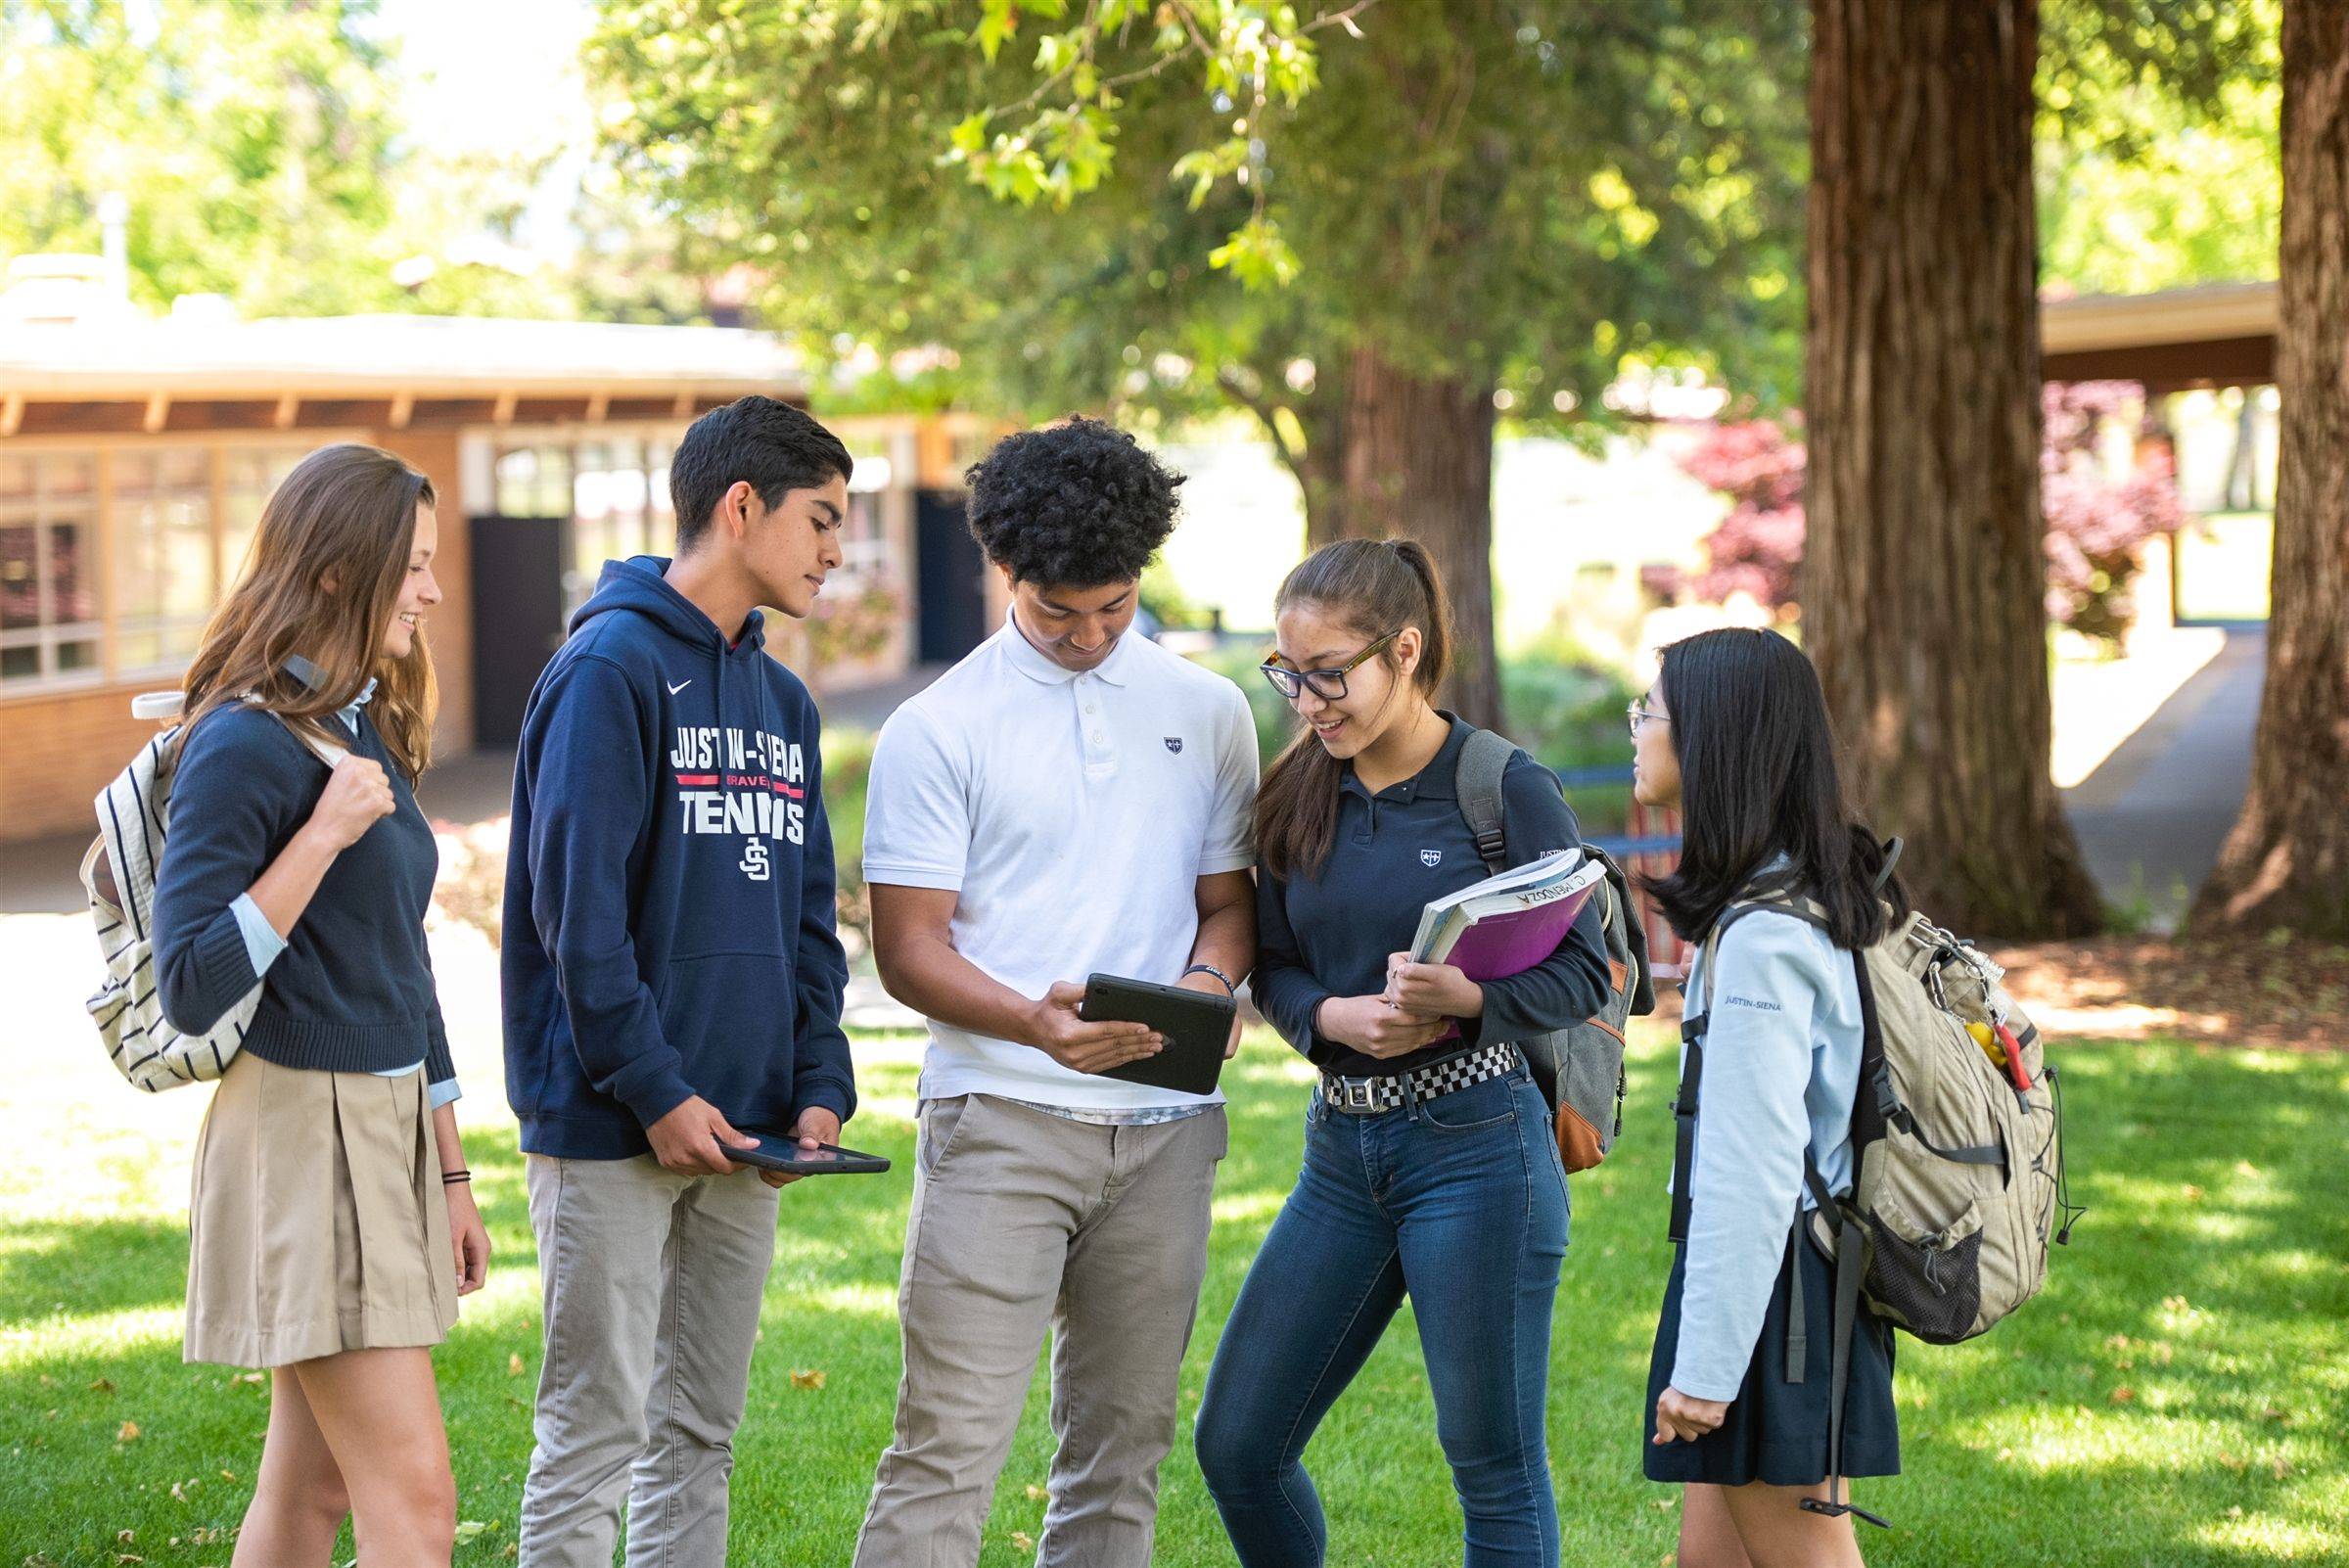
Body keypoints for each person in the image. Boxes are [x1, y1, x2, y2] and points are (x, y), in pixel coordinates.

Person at [852, 417, 1259, 1568]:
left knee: (1121, 1456)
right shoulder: (936, 730)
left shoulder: (1209, 709)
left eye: (1115, 608)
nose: (1088, 636)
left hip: (1167, 1134)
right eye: (1057, 612)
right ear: (1006, 574)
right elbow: (909, 949)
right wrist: (1033, 1021)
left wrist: (1202, 987)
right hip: (998, 1119)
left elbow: (1229, 907)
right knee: (947, 1448)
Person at [1193, 537, 1612, 1568]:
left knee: (1493, 1470)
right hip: (1343, 1159)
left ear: (1406, 650)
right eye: (1287, 673)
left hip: (1480, 1153)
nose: (1307, 700)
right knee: (1238, 1446)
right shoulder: (1296, 792)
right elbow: (1277, 967)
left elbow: (1589, 975)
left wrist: (1468, 995)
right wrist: (1331, 1022)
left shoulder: (1503, 788)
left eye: (1328, 673)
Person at [502, 395, 859, 1567]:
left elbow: (808, 917)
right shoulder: (606, 667)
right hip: (613, 1122)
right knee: (594, 1433)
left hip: (748, 1127)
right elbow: (576, 917)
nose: (835, 549)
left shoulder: (784, 700)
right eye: (821, 519)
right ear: (740, 506)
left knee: (699, 1432)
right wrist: (654, 1090)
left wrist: (819, 1079)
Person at [153, 442, 490, 1568]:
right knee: (416, 1497)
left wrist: (450, 1172)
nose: (433, 593)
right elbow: (192, 981)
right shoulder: (242, 743)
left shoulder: (357, 731)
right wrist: (322, 835)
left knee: (312, 1500)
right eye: (415, 568)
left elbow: (405, 967)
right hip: (303, 1130)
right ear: (343, 571)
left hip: (382, 1124)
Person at [1634, 627, 1904, 1568]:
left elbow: (1752, 1171)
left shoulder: (1763, 936)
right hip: (1784, 1289)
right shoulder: (1786, 899)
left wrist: (1706, 1371)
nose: (1636, 727)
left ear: (1712, 742)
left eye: (1650, 711)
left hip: (1778, 1296)